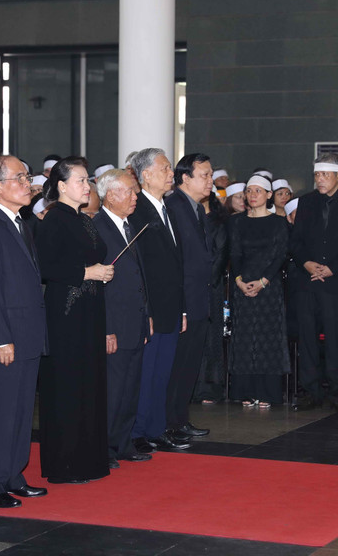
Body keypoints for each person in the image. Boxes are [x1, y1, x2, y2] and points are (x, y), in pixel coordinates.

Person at [0, 155, 48, 508]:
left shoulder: (20, 222)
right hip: (6, 337)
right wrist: (0, 337)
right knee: (1, 412)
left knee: (20, 411)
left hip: (28, 331)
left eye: (27, 177)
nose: (28, 183)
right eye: (20, 177)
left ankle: (13, 473)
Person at [36, 157, 113, 482]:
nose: (87, 186)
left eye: (88, 180)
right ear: (62, 186)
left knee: (88, 384)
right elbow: (46, 266)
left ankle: (89, 460)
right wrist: (87, 272)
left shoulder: (83, 219)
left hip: (89, 311)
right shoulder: (53, 220)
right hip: (65, 314)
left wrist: (100, 272)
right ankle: (64, 464)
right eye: (81, 181)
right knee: (67, 387)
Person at [290, 153, 338, 413]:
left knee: (336, 339)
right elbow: (296, 241)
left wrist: (332, 268)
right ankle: (310, 391)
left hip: (337, 280)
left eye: (324, 175)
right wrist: (308, 264)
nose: (320, 180)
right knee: (308, 340)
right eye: (316, 175)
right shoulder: (307, 202)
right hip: (308, 280)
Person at [127, 148, 190, 451]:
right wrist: (146, 310)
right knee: (147, 372)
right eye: (165, 169)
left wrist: (182, 309)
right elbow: (139, 267)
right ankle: (138, 431)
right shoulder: (138, 211)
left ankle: (156, 428)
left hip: (170, 306)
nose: (171, 175)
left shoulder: (167, 209)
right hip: (151, 308)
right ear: (146, 175)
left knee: (163, 372)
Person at [93, 169, 152, 465]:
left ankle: (123, 441)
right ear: (110, 194)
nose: (135, 196)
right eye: (129, 191)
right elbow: (95, 286)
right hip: (113, 324)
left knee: (130, 388)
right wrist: (106, 329)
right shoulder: (97, 227)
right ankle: (102, 446)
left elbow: (138, 277)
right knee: (112, 391)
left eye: (135, 191)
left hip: (135, 321)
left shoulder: (130, 225)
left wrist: (147, 316)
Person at [228, 175, 290, 407]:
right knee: (244, 337)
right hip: (242, 284)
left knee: (268, 337)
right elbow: (234, 253)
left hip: (269, 286)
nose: (252, 195)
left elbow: (281, 255)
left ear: (268, 195)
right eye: (249, 190)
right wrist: (238, 280)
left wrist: (264, 281)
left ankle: (267, 392)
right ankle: (245, 391)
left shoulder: (278, 222)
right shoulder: (236, 222)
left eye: (258, 191)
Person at [164, 154, 214, 438]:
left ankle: (180, 418)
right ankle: (169, 420)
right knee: (176, 365)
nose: (210, 181)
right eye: (204, 175)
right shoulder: (174, 207)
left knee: (189, 365)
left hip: (199, 299)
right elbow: (176, 261)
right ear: (185, 178)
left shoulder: (196, 208)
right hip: (183, 301)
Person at [194, 192, 230, 404]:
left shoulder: (219, 220)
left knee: (211, 337)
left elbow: (221, 252)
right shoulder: (186, 216)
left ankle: (209, 388)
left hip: (212, 284)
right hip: (190, 286)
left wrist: (208, 278)